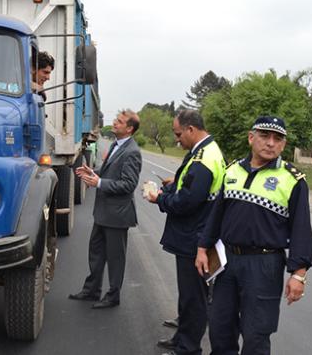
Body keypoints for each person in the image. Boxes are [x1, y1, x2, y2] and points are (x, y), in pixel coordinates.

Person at [195, 116, 312, 355]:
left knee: (256, 334)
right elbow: (216, 216)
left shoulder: (292, 180)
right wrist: (202, 248)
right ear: (251, 138)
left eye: (277, 139)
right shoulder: (232, 171)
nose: (270, 143)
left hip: (264, 265)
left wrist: (298, 275)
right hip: (227, 261)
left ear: (283, 144)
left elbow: (301, 229)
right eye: (264, 136)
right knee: (220, 327)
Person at [145, 110, 225, 355]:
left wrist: (159, 199)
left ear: (191, 129)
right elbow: (189, 188)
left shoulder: (204, 159)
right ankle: (181, 339)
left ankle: (188, 349)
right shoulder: (204, 152)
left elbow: (187, 201)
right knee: (188, 296)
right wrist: (172, 187)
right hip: (194, 233)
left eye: (178, 134)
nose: (176, 139)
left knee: (194, 299)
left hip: (195, 238)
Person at [68, 109, 142, 309]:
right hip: (103, 213)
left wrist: (99, 183)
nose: (115, 122)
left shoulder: (132, 152)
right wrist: (93, 172)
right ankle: (91, 290)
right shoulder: (116, 145)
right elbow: (110, 172)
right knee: (96, 253)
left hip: (117, 216)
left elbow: (128, 184)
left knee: (116, 258)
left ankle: (113, 296)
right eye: (116, 119)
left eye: (120, 121)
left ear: (129, 129)